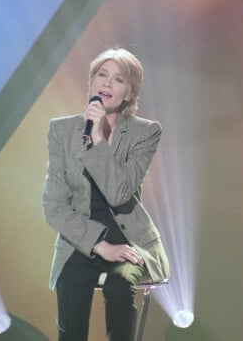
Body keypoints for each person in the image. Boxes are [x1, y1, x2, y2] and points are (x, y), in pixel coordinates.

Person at [42, 47, 170, 341]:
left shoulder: (145, 133)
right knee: (71, 295)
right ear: (92, 82)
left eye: (118, 79)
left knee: (119, 286)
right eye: (102, 75)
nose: (107, 84)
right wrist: (99, 245)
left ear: (129, 92)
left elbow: (118, 193)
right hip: (80, 241)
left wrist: (98, 137)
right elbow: (54, 206)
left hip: (128, 241)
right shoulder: (62, 131)